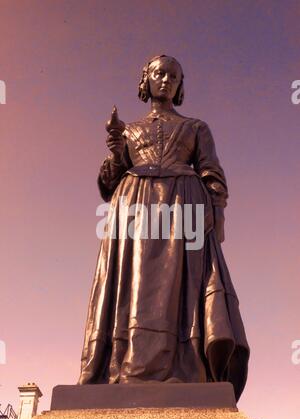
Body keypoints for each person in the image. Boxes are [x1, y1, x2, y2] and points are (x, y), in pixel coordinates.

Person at [78, 55, 250, 401]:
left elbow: (211, 173)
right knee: (133, 285)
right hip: (133, 207)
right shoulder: (127, 130)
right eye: (160, 73)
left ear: (180, 84)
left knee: (181, 288)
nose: (166, 79)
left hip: (184, 206)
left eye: (174, 75)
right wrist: (114, 153)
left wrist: (217, 217)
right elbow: (109, 183)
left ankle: (185, 367)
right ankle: (122, 366)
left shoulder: (196, 127)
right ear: (146, 79)